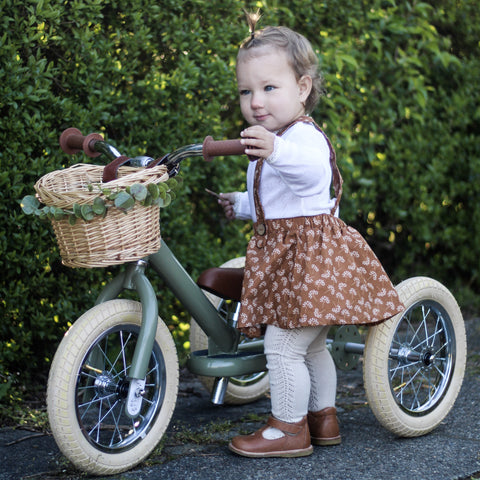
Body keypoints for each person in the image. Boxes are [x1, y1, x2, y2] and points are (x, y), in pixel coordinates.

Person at [218, 17, 404, 459]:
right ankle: (323, 418)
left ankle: (288, 428)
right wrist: (242, 204)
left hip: (311, 259)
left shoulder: (302, 138)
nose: (255, 102)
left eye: (269, 88)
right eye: (246, 91)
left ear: (302, 88)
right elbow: (281, 198)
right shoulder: (276, 139)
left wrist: (276, 150)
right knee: (312, 344)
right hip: (292, 255)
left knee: (282, 346)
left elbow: (312, 174)